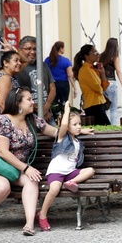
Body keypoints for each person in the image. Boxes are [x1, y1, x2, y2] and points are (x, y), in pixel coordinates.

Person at [0, 88, 64, 235]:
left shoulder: (32, 120)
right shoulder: (2, 121)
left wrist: (76, 130)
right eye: (28, 99)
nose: (32, 102)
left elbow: (55, 132)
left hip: (16, 168)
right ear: (18, 103)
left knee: (32, 180)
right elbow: (3, 152)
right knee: (3, 187)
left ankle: (29, 224)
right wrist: (27, 168)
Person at [37, 98, 95, 231]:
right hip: (57, 172)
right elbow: (63, 126)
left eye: (79, 124)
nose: (79, 126)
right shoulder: (62, 137)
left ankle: (71, 183)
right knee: (54, 189)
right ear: (67, 127)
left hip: (69, 173)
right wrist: (67, 109)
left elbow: (75, 129)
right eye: (75, 124)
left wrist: (83, 130)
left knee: (90, 170)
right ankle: (43, 214)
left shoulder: (77, 141)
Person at [15, 36, 56, 120]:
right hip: (27, 114)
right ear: (20, 50)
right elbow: (16, 95)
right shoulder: (17, 68)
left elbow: (52, 88)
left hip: (47, 113)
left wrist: (46, 107)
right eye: (28, 49)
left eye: (35, 49)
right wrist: (39, 109)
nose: (32, 52)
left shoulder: (43, 65)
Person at [74, 44, 111, 126]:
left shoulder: (93, 69)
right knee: (106, 128)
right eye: (94, 52)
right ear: (87, 56)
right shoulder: (85, 70)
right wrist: (101, 87)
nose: (97, 54)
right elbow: (98, 89)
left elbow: (103, 88)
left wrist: (102, 73)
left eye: (97, 51)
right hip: (93, 105)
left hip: (99, 103)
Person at [99, 38, 122, 125]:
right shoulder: (115, 57)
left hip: (102, 83)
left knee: (105, 106)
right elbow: (118, 71)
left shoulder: (101, 56)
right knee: (113, 108)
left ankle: (105, 125)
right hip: (111, 83)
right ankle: (113, 127)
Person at [46, 41, 77, 108]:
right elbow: (70, 75)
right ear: (61, 48)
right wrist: (74, 87)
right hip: (63, 85)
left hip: (52, 84)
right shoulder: (66, 61)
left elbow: (44, 72)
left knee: (53, 103)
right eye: (64, 48)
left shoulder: (48, 60)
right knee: (64, 104)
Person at [0, 50, 22, 115]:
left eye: (20, 60)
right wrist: (10, 121)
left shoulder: (7, 76)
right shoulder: (5, 78)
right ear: (6, 63)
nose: (19, 63)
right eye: (16, 60)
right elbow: (2, 103)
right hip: (9, 120)